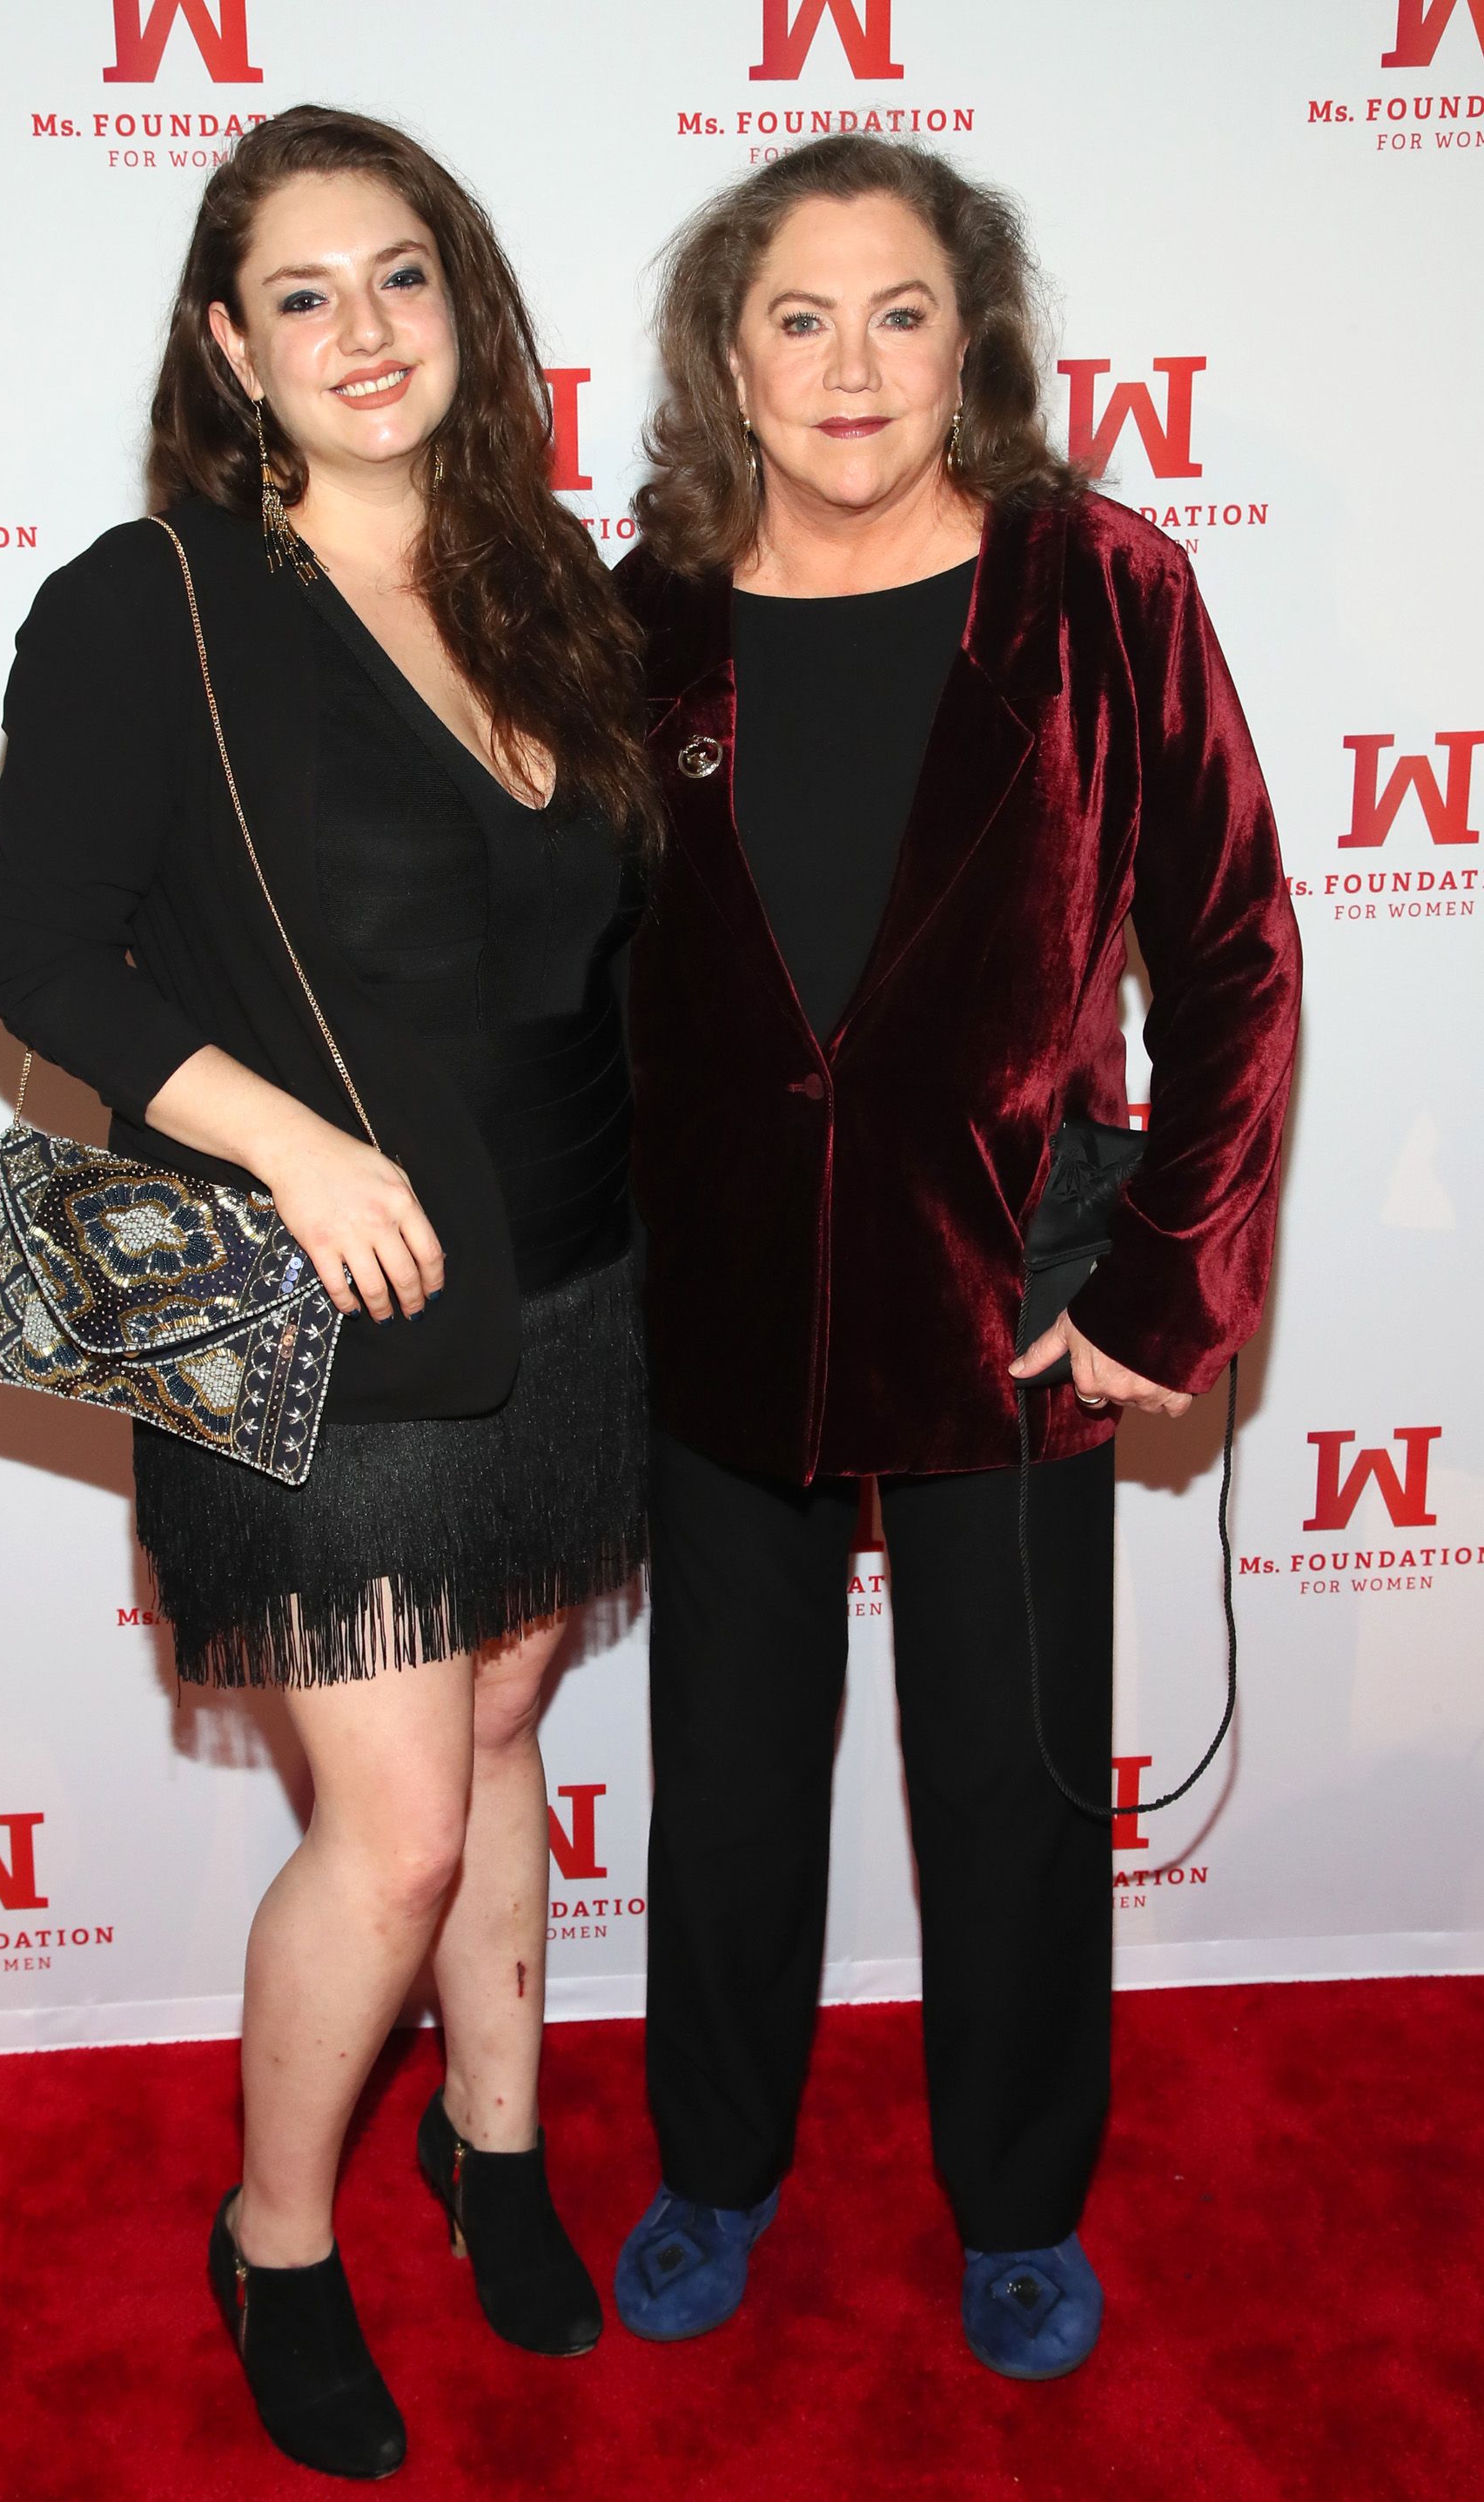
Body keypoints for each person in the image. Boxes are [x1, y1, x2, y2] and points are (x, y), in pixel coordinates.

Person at [0, 106, 655, 2476]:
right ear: (225, 344)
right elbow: (41, 952)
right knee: (399, 1834)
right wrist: (284, 1137)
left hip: (574, 1289)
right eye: (302, 295)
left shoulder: (541, 574)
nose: (363, 332)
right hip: (302, 1308)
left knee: (493, 1754)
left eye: (402, 278)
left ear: (464, 307)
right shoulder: (144, 601)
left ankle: (491, 2150)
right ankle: (277, 2239)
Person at [611, 135, 1301, 2379]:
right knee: (720, 1779)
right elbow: (580, 979)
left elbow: (1235, 961)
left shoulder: (1096, 588)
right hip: (717, 1308)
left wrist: (1171, 1283)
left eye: (899, 311)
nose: (849, 364)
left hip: (1016, 1304)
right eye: (797, 316)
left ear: (972, 340)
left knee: (1008, 1790)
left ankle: (1017, 2205)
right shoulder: (653, 618)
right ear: (729, 354)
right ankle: (714, 2168)